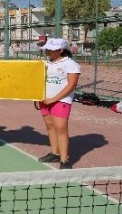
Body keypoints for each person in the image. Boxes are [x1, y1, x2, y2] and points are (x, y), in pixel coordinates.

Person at [37, 38, 80, 170]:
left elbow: (71, 85)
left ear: (60, 50)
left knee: (61, 129)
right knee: (50, 126)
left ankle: (64, 159)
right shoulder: (46, 63)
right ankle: (55, 153)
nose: (47, 51)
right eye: (47, 49)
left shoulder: (71, 64)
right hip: (45, 100)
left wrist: (54, 99)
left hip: (61, 101)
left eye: (50, 49)